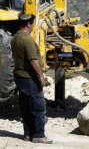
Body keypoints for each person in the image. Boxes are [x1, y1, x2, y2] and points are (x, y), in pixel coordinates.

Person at [11, 13, 53, 144]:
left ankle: (28, 134)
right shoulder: (27, 39)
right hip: (29, 77)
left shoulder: (15, 38)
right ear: (28, 24)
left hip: (19, 76)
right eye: (33, 23)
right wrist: (41, 76)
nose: (33, 26)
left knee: (25, 106)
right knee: (38, 107)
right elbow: (33, 59)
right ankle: (39, 135)